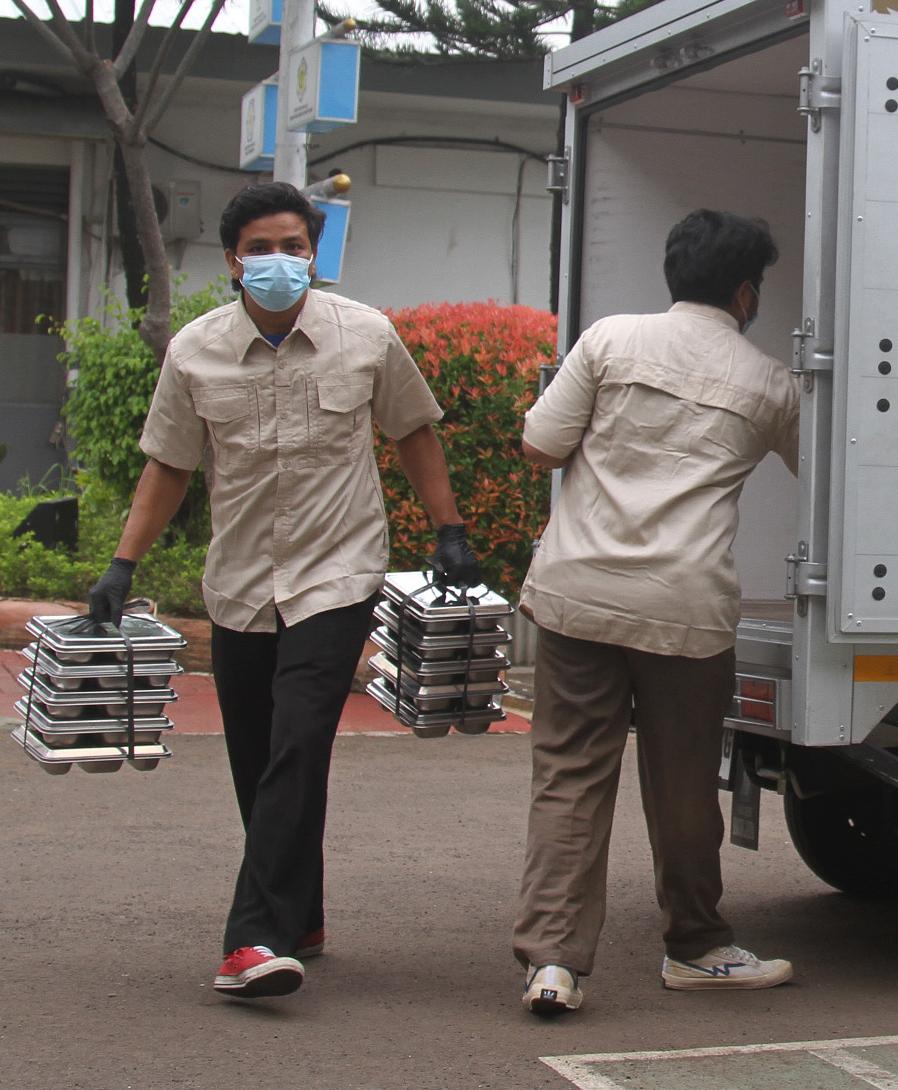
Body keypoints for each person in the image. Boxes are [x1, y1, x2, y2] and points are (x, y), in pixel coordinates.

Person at [87, 181, 479, 1001]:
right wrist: (122, 566)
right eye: (261, 249)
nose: (279, 262)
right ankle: (302, 914)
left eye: (294, 247)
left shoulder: (365, 336)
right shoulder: (195, 351)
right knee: (258, 758)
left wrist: (449, 530)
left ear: (314, 254)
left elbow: (412, 430)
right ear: (233, 261)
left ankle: (252, 939)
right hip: (238, 583)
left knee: (299, 742)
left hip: (336, 573)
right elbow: (168, 465)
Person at [512, 208, 800, 1016]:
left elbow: (540, 444)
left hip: (577, 595)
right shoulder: (770, 382)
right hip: (685, 609)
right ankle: (697, 948)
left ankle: (553, 963)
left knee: (569, 777)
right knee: (681, 787)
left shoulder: (608, 340)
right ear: (745, 292)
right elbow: (830, 475)